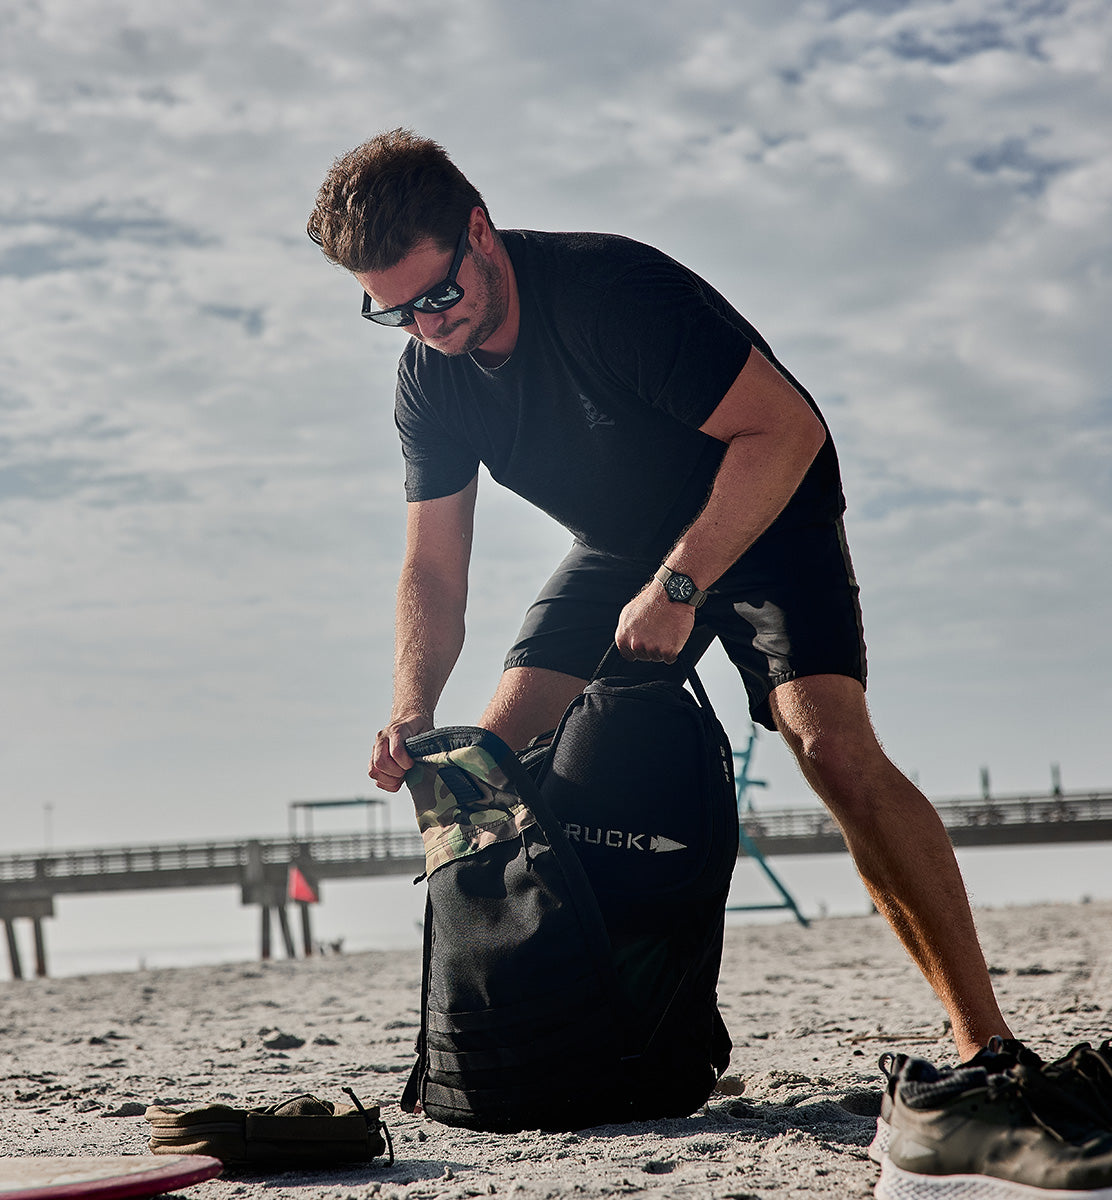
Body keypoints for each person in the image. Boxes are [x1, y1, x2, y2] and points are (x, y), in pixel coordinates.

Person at [307, 128, 1011, 1061]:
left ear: (480, 233)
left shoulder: (612, 294)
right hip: (620, 547)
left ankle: (986, 1043)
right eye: (393, 313)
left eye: (438, 296)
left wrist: (682, 583)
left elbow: (787, 431)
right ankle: (579, 1033)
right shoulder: (431, 382)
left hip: (762, 515)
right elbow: (432, 568)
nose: (427, 326)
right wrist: (410, 708)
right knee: (484, 773)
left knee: (833, 750)